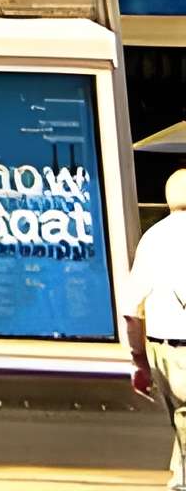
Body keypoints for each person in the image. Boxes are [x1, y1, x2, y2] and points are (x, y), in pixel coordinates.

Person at [124, 164, 186, 490]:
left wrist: (139, 360)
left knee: (180, 424)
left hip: (158, 348)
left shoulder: (152, 237)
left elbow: (130, 308)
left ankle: (178, 482)